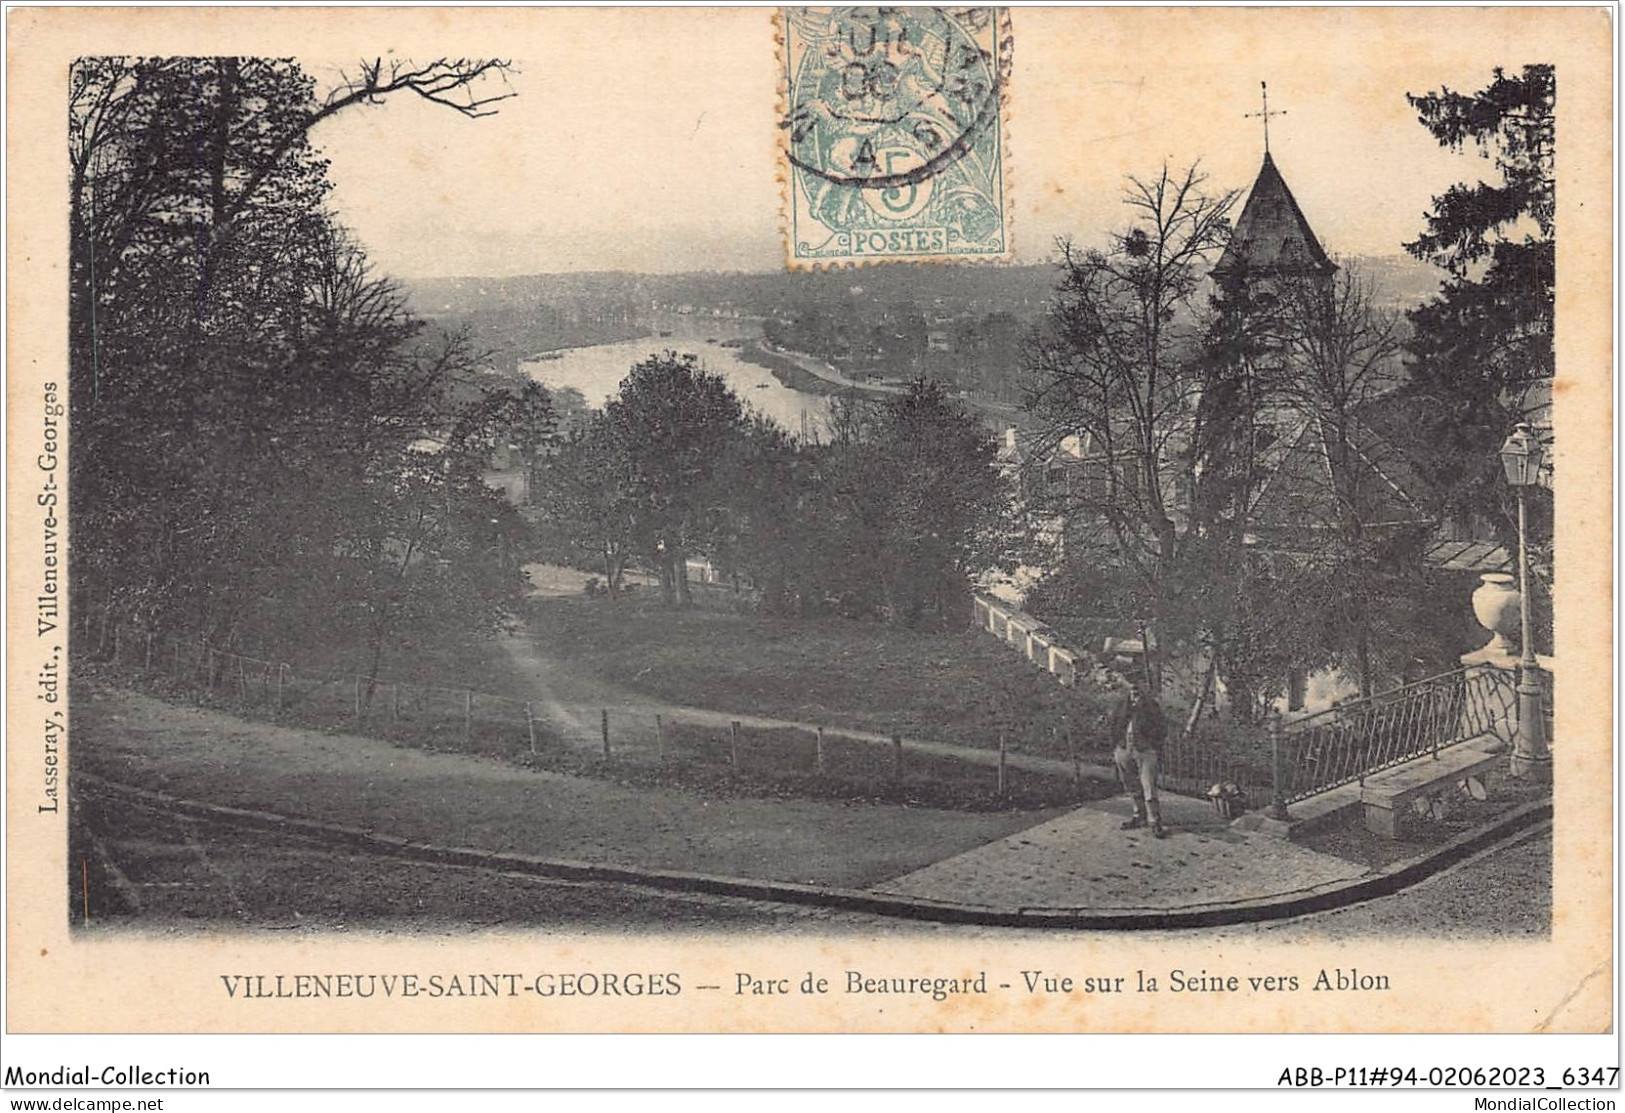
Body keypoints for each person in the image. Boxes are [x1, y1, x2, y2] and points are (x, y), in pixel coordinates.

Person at [1107, 670, 1169, 838]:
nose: (1134, 687)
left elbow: (1162, 729)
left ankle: (1154, 821)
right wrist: (1117, 747)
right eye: (1131, 684)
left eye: (1138, 684)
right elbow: (1113, 725)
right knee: (1131, 785)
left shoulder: (1151, 706)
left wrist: (1153, 745)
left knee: (1149, 786)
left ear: (1144, 686)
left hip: (1145, 751)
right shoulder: (1121, 704)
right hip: (1124, 749)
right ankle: (1138, 815)